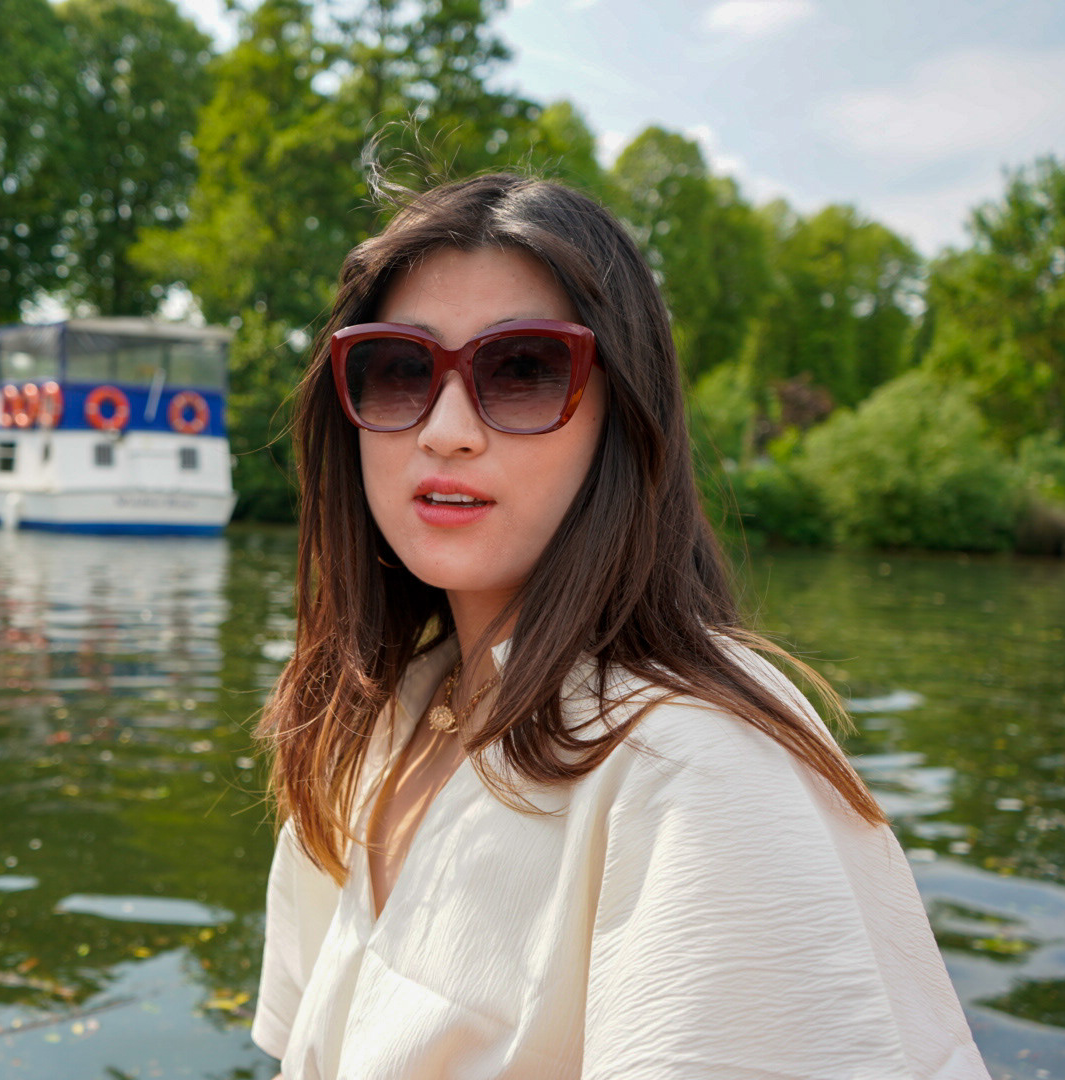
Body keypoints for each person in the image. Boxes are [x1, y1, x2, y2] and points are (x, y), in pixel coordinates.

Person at [249, 174, 990, 1079]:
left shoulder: (696, 765)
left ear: (623, 415)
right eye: (398, 370)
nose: (445, 430)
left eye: (523, 371)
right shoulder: (362, 724)